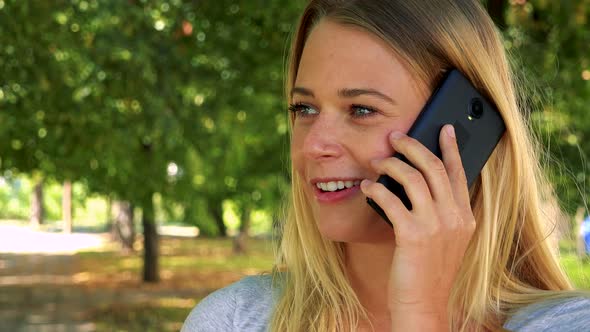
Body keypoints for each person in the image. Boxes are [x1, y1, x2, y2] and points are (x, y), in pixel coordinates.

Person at [182, 0, 590, 331]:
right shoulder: (234, 320)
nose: (313, 145)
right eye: (304, 108)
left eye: (361, 109)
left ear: (465, 134)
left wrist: (420, 314)